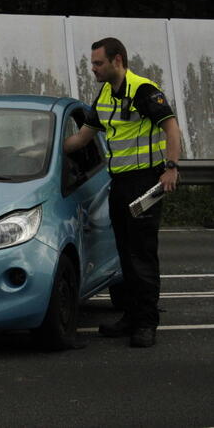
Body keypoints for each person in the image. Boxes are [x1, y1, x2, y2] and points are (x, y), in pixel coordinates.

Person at [63, 37, 181, 348]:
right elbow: (82, 139)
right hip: (119, 183)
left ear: (117, 61)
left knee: (141, 255)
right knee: (125, 253)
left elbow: (171, 128)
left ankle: (146, 323)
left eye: (98, 63)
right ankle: (131, 316)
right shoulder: (104, 95)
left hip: (145, 183)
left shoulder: (143, 90)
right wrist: (45, 152)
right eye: (92, 63)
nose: (93, 69)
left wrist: (171, 167)